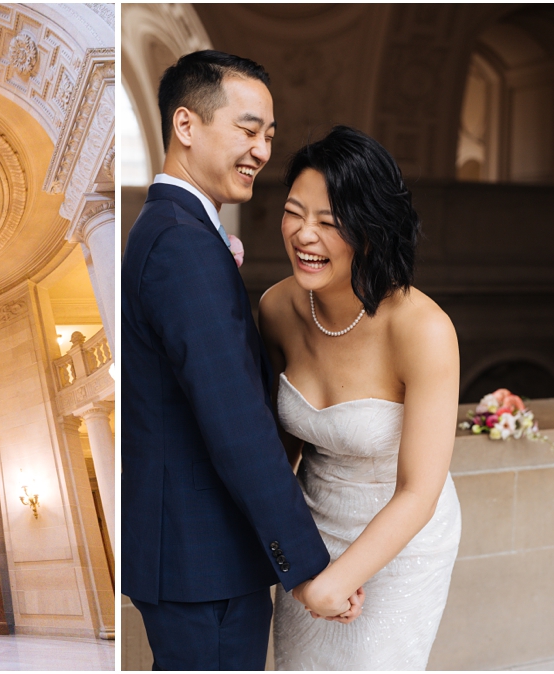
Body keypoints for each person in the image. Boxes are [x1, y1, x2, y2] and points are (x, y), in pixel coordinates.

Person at [122, 50, 362, 671]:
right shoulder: (182, 244)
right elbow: (235, 422)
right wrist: (309, 569)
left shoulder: (175, 229)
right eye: (248, 129)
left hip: (194, 557)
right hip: (206, 562)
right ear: (186, 126)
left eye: (269, 136)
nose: (261, 149)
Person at [259, 126, 462, 670]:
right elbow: (279, 456)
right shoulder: (277, 309)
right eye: (294, 212)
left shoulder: (423, 329)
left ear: (371, 230)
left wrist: (341, 581)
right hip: (311, 533)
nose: (304, 235)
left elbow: (419, 490)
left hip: (402, 541)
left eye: (328, 223)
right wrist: (298, 564)